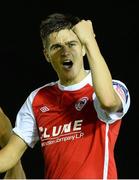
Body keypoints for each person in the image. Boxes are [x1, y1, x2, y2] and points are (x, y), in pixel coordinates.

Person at [0, 13, 130, 179]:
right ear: (46, 55)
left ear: (83, 48)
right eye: (56, 47)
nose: (65, 52)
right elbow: (9, 156)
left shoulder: (110, 87)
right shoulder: (37, 98)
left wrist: (90, 40)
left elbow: (108, 102)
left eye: (72, 44)